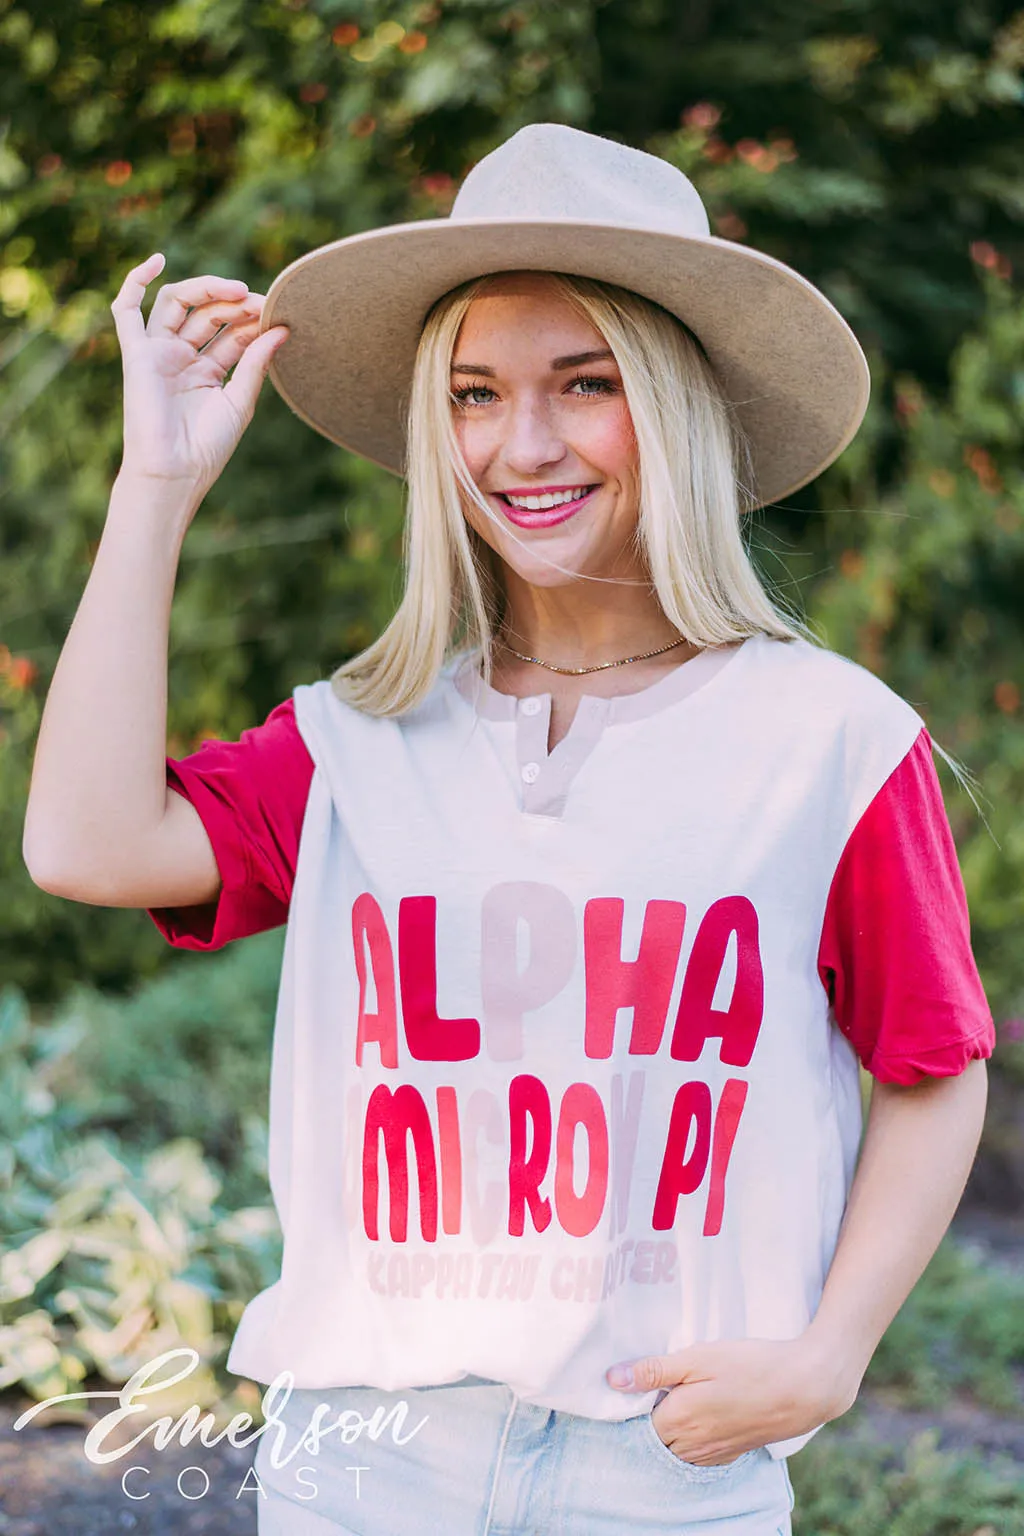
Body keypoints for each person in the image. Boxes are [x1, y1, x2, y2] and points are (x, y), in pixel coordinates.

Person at [22, 124, 995, 1536]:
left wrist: (827, 1358)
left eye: (583, 384)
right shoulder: (359, 740)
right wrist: (157, 485)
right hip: (363, 1461)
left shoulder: (830, 743)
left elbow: (934, 1063)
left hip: (666, 1465)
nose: (520, 445)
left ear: (670, 405)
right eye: (475, 393)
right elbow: (87, 846)